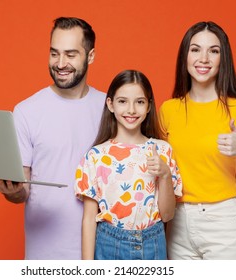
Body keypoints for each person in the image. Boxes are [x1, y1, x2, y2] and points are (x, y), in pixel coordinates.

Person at [0, 17, 106, 259]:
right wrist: (11, 190)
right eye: (54, 53)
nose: (60, 63)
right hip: (45, 255)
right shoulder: (27, 111)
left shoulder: (109, 108)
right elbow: (22, 190)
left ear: (90, 56)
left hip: (102, 251)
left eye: (70, 54)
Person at [159, 21, 236, 260]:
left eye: (213, 51)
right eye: (195, 49)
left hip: (224, 223)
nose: (203, 58)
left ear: (223, 58)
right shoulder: (168, 110)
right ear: (185, 56)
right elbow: (162, 175)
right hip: (178, 223)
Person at [75, 70, 182, 260]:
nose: (131, 110)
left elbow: (167, 215)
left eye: (140, 102)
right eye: (122, 101)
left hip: (153, 243)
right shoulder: (96, 156)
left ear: (149, 106)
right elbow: (89, 219)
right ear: (110, 104)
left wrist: (165, 175)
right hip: (109, 243)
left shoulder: (162, 150)